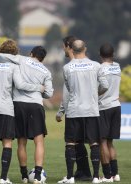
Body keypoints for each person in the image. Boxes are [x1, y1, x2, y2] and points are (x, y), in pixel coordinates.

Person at [0, 40, 44, 184]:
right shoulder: (13, 66)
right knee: (7, 143)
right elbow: (20, 85)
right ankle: (3, 178)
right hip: (7, 109)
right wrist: (38, 87)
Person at [57, 40, 109, 184]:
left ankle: (70, 177)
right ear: (85, 49)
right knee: (94, 143)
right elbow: (105, 85)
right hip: (91, 110)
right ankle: (96, 177)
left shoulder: (67, 68)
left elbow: (69, 89)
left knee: (70, 143)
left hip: (74, 110)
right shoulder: (96, 66)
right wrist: (94, 93)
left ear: (71, 50)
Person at [12, 46, 53, 184]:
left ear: (31, 54)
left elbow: (18, 84)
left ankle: (24, 176)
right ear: (42, 58)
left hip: (19, 104)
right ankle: (37, 177)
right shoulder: (46, 71)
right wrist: (38, 88)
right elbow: (48, 93)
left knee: (21, 142)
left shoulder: (20, 60)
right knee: (39, 142)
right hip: (36, 105)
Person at [56, 36, 92, 181]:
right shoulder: (88, 64)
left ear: (68, 47)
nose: (63, 49)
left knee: (74, 141)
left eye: (63, 47)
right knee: (80, 141)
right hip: (88, 108)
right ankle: (84, 172)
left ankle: (83, 173)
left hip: (77, 109)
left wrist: (61, 111)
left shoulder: (70, 67)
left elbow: (67, 93)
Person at [98, 43, 121, 182]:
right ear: (113, 55)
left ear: (100, 55)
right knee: (110, 143)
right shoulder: (117, 66)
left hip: (104, 106)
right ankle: (116, 174)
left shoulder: (100, 68)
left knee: (103, 142)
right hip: (116, 105)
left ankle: (107, 175)